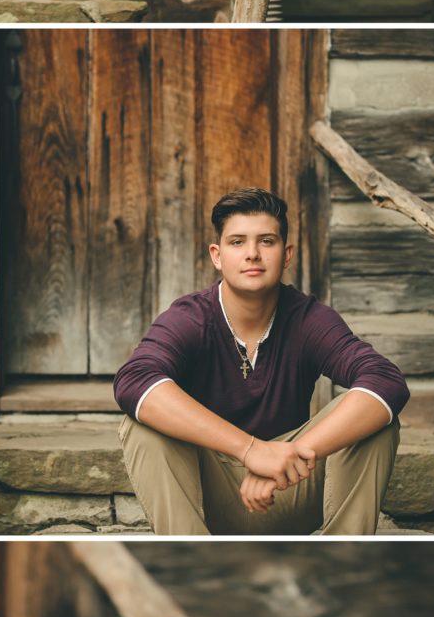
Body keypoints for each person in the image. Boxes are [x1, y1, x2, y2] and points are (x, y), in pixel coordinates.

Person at [114, 188, 408, 536]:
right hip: (211, 499)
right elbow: (134, 379)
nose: (252, 254)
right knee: (142, 425)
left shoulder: (308, 319)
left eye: (266, 241)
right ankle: (194, 559)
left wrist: (288, 456)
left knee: (375, 419)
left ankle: (344, 557)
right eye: (237, 242)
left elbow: (385, 379)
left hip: (291, 489)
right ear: (217, 255)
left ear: (286, 255)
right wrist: (250, 451)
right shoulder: (190, 318)